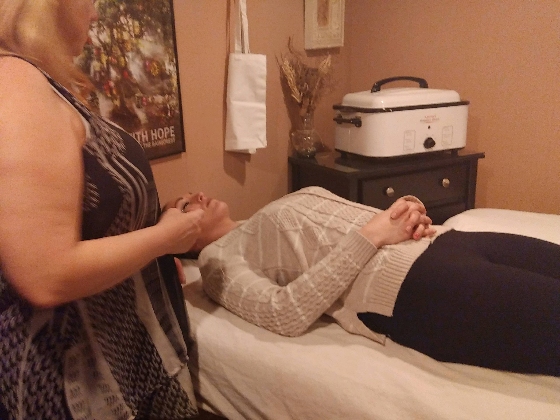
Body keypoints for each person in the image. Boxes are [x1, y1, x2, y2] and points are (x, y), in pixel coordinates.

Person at [0, 1, 204, 418]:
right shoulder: (15, 82)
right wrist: (164, 238)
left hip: (119, 354)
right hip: (70, 381)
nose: (95, 14)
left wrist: (143, 248)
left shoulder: (34, 82)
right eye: (89, 1)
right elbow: (46, 274)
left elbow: (74, 221)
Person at [168, 187, 559, 377]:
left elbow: (352, 220)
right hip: (417, 284)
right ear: (179, 237)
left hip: (443, 240)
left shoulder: (256, 217)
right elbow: (283, 313)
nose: (199, 194)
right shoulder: (216, 260)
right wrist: (372, 236)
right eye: (185, 205)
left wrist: (407, 210)